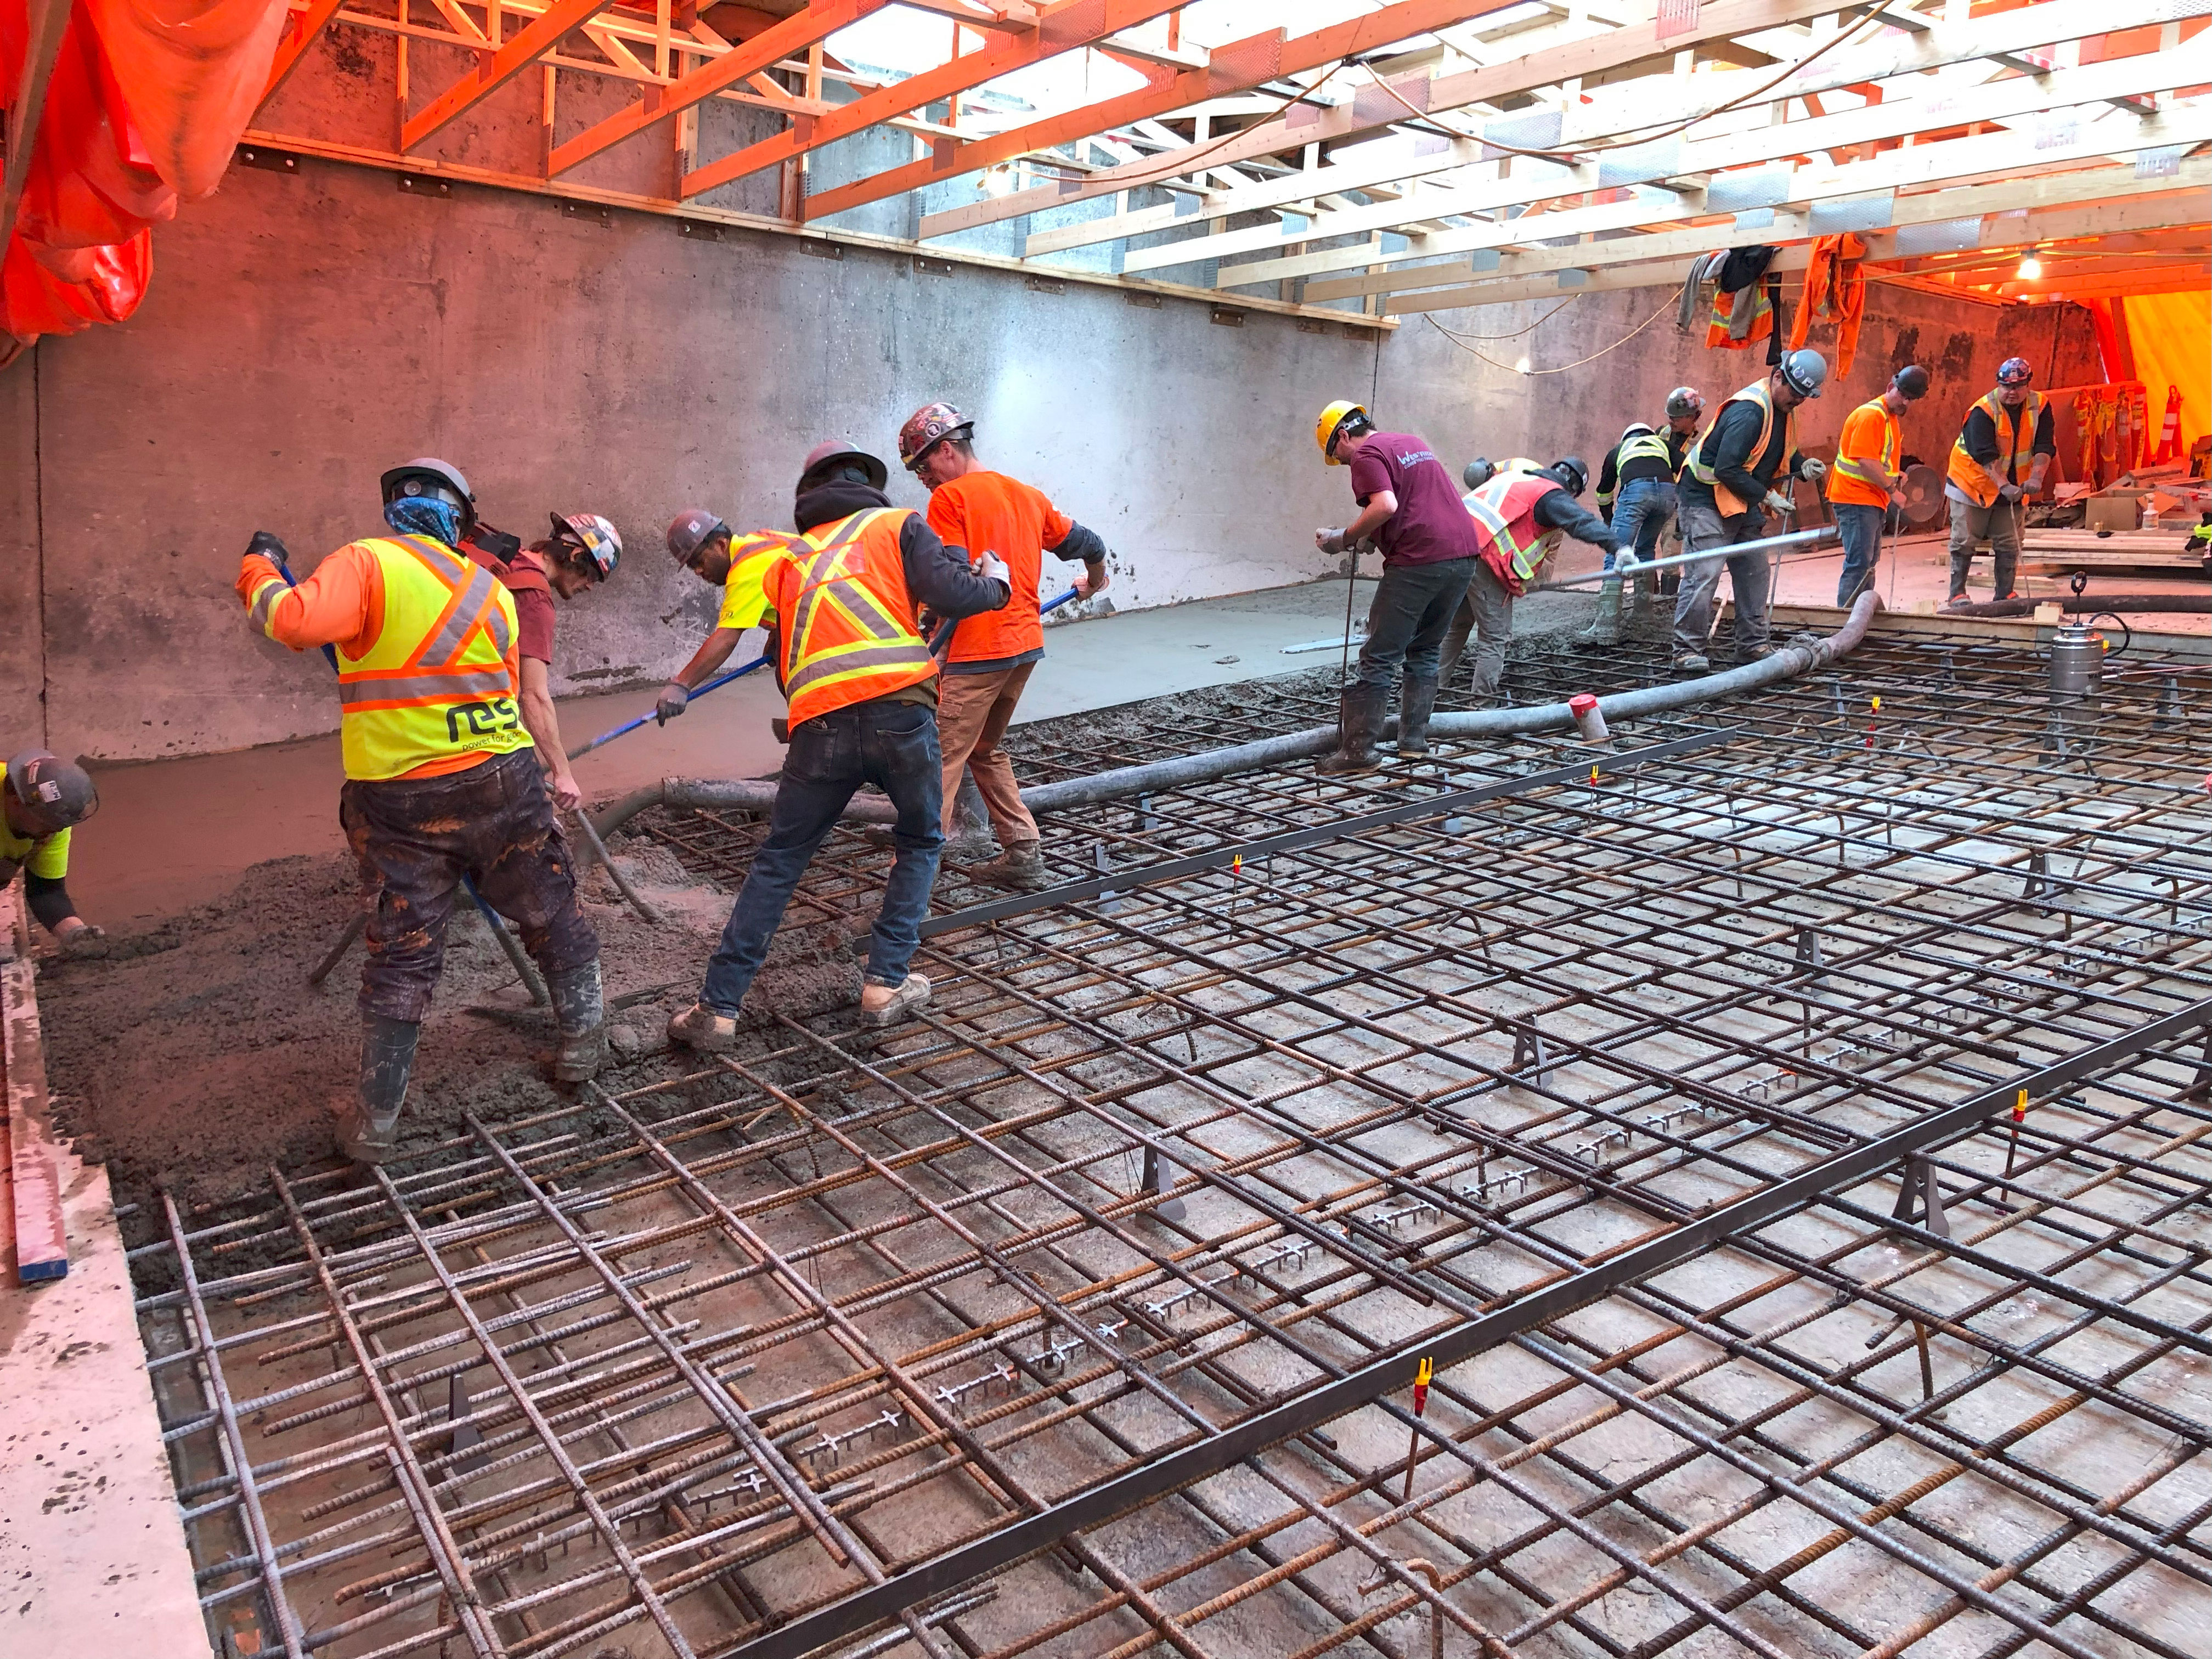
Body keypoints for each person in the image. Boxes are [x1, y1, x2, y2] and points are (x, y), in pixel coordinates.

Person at [237, 458, 606, 1164]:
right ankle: (584, 1047)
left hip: (402, 798)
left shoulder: (365, 563)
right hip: (503, 777)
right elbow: (502, 692)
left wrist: (261, 564)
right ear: (462, 518)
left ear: (393, 510)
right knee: (551, 909)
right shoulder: (492, 591)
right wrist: (554, 769)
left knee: (404, 953)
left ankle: (378, 1123)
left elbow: (289, 621)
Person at [665, 442, 1011, 1051]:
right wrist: (997, 585)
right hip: (901, 712)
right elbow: (954, 595)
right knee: (921, 838)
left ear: (809, 499)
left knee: (780, 860)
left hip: (817, 726)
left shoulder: (789, 561)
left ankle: (717, 1008)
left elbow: (786, 658)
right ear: (867, 484)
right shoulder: (895, 524)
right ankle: (885, 984)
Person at [896, 400, 1110, 891]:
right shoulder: (1027, 496)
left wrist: (925, 639)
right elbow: (1091, 544)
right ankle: (1023, 852)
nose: (924, 479)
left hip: (979, 653)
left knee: (939, 762)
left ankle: (910, 892)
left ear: (947, 450)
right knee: (984, 748)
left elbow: (946, 582)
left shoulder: (950, 501)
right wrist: (1094, 583)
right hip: (1023, 649)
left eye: (924, 466)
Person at [1311, 401, 1483, 772]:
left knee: (1379, 654)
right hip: (1464, 555)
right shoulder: (1409, 442)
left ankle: (1359, 752)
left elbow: (1386, 505)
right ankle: (1413, 743)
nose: (1342, 464)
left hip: (1420, 558)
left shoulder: (1366, 454)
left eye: (1337, 455)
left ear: (1343, 436)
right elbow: (1415, 504)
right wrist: (1371, 538)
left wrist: (1343, 538)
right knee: (1425, 648)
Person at [1672, 350, 1831, 672]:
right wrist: (1768, 498)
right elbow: (1727, 468)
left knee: (1754, 572)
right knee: (1705, 573)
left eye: (1803, 396)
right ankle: (1686, 651)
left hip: (1738, 499)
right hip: (1705, 498)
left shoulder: (1782, 409)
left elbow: (1778, 451)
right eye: (1794, 393)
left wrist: (1801, 466)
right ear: (1777, 377)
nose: (1798, 401)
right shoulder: (1749, 412)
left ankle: (1752, 645)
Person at [464, 512, 621, 811]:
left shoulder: (501, 560)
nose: (589, 586)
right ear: (576, 555)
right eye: (592, 576)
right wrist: (563, 774)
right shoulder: (534, 599)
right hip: (467, 727)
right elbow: (534, 696)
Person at [1442, 458, 1629, 691]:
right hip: (1483, 555)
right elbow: (1582, 522)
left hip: (1450, 546)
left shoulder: (1515, 477)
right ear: (1573, 492)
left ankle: (1428, 690)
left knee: (1457, 625)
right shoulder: (1551, 493)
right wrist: (1619, 548)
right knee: (1495, 636)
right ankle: (1481, 705)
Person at [1581, 386, 1704, 645]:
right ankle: (1644, 617)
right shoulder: (1661, 441)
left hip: (1638, 493)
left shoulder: (1619, 450)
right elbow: (1688, 467)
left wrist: (1609, 526)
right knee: (1646, 551)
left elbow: (1603, 492)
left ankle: (1606, 626)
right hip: (1667, 497)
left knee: (1617, 554)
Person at [1942, 356, 2054, 608]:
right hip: (1972, 483)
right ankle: (1957, 594)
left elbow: (2045, 444)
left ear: (2028, 385)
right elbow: (1986, 455)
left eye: (2017, 387)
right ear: (1998, 384)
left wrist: (2036, 477)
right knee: (1965, 539)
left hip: (2012, 486)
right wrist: (2004, 486)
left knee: (2009, 541)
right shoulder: (1982, 411)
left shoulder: (2041, 406)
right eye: (2006, 387)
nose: (2011, 392)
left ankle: (2005, 594)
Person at [657, 508, 775, 724]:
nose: (698, 572)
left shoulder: (747, 568)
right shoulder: (763, 541)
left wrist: (681, 685)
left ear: (721, 545)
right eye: (692, 567)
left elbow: (726, 638)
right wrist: (780, 633)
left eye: (699, 561)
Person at [1829, 365, 1929, 605]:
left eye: (1911, 399)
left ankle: (1861, 613)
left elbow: (1878, 459)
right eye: (1902, 395)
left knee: (1868, 563)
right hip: (1855, 499)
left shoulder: (1888, 417)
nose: (1905, 402)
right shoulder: (1872, 415)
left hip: (1869, 499)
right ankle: (1847, 619)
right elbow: (1866, 462)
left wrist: (1896, 475)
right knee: (1859, 563)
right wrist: (1893, 491)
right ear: (1889, 387)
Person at [1, 750, 104, 956]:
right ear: (16, 804)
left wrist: (75, 934)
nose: (56, 832)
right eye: (48, 825)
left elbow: (47, 893)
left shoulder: (54, 819)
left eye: (60, 825)